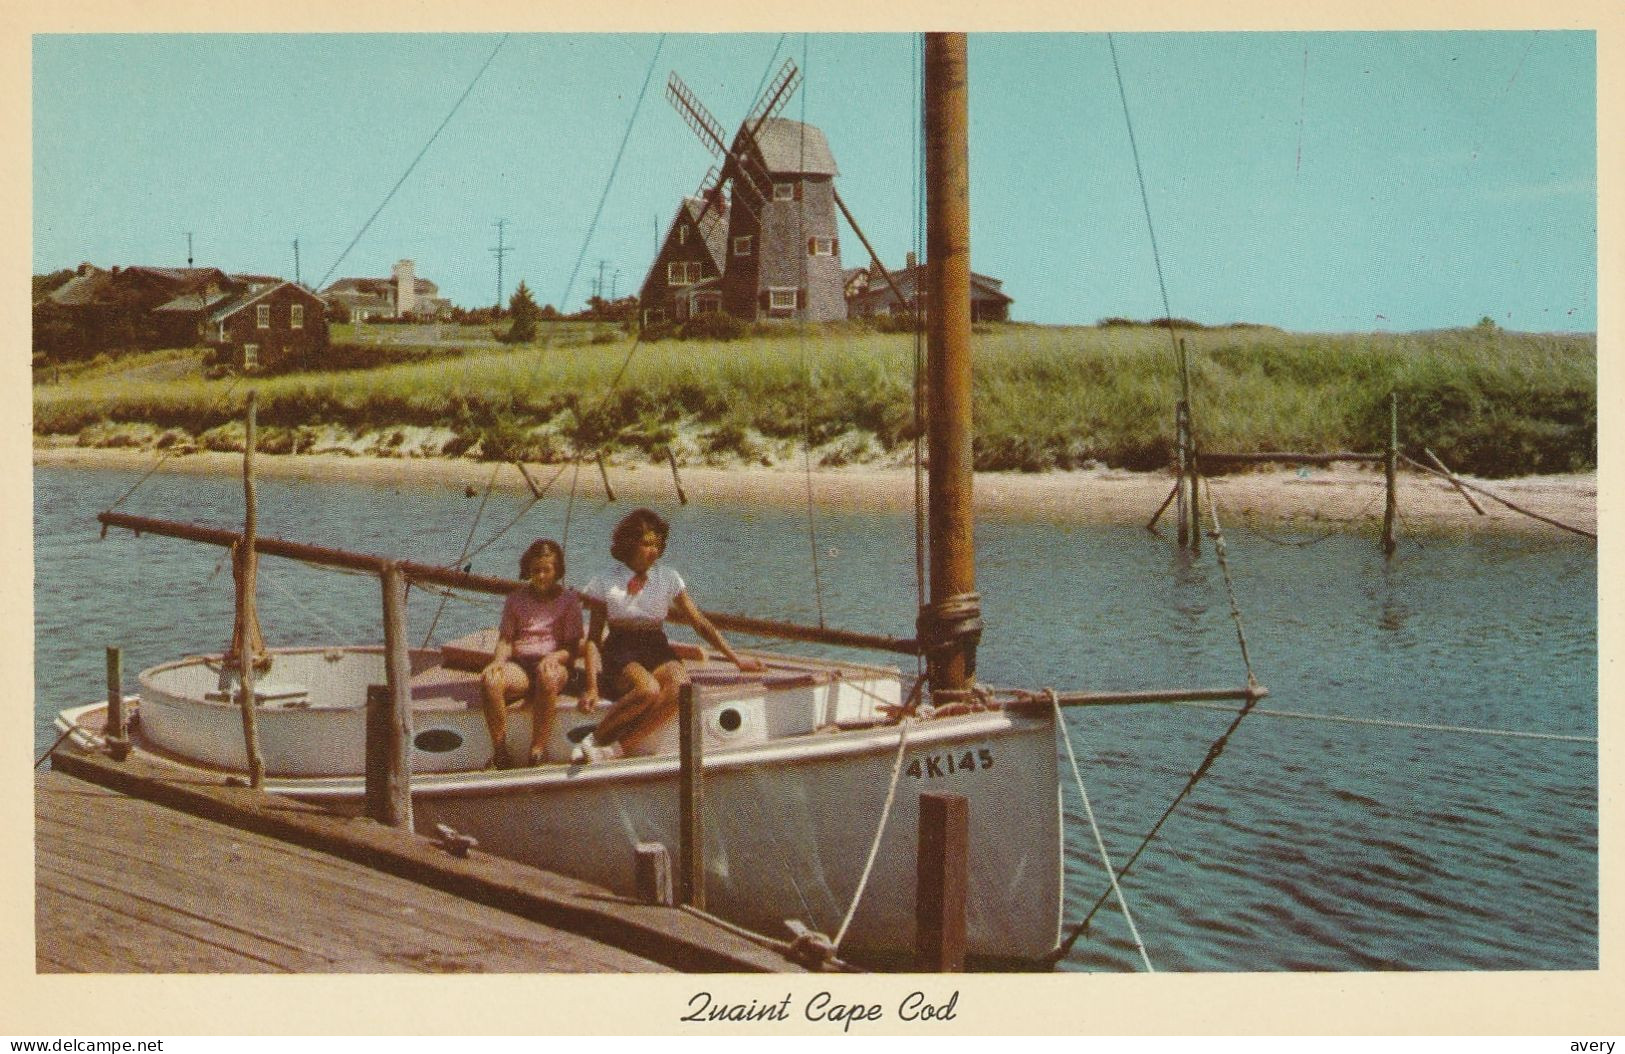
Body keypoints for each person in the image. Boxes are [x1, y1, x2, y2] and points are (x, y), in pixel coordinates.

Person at [577, 508, 763, 762]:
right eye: (646, 544)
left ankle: (619, 748)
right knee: (648, 691)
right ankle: (594, 737)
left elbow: (700, 623)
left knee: (682, 687)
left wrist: (736, 659)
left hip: (655, 647)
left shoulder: (669, 578)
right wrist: (591, 687)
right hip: (621, 649)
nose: (653, 550)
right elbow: (593, 639)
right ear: (630, 544)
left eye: (657, 544)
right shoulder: (605, 580)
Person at [480, 538, 587, 768]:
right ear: (528, 570)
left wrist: (555, 657)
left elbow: (573, 647)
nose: (540, 576)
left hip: (554, 665)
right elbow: (506, 639)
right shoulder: (515, 599)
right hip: (522, 666)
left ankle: (537, 749)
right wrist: (498, 661)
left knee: (547, 677)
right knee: (490, 680)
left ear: (557, 571)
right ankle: (500, 751)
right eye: (535, 570)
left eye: (546, 570)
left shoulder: (569, 601)